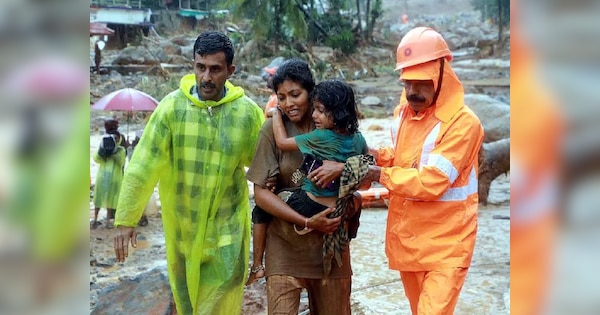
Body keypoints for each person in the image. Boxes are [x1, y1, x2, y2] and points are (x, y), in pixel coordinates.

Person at [112, 31, 264, 315]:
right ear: (193, 65)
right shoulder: (172, 109)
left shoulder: (246, 114)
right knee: (187, 305)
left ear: (230, 71)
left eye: (215, 69)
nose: (206, 77)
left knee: (216, 303)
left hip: (227, 231)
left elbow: (268, 166)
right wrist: (126, 218)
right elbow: (143, 164)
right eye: (200, 67)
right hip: (182, 229)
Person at [359, 27, 485, 314]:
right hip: (410, 241)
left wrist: (378, 173)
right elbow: (405, 157)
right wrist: (376, 156)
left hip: (447, 246)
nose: (413, 91)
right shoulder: (405, 110)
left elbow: (433, 181)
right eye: (407, 83)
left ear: (442, 74)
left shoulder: (463, 123)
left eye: (421, 83)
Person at [246, 59, 356, 314]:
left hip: (331, 249)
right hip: (285, 246)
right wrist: (305, 221)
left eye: (295, 94)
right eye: (281, 97)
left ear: (311, 91)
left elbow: (365, 170)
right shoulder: (273, 129)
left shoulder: (339, 128)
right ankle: (258, 265)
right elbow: (260, 194)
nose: (288, 104)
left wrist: (345, 177)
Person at [91, 120, 128, 229]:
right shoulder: (104, 147)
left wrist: (114, 153)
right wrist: (102, 151)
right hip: (102, 176)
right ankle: (95, 219)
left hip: (115, 178)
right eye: (113, 138)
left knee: (111, 200)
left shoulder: (121, 150)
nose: (115, 140)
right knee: (98, 198)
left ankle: (108, 221)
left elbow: (122, 162)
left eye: (117, 138)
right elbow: (96, 159)